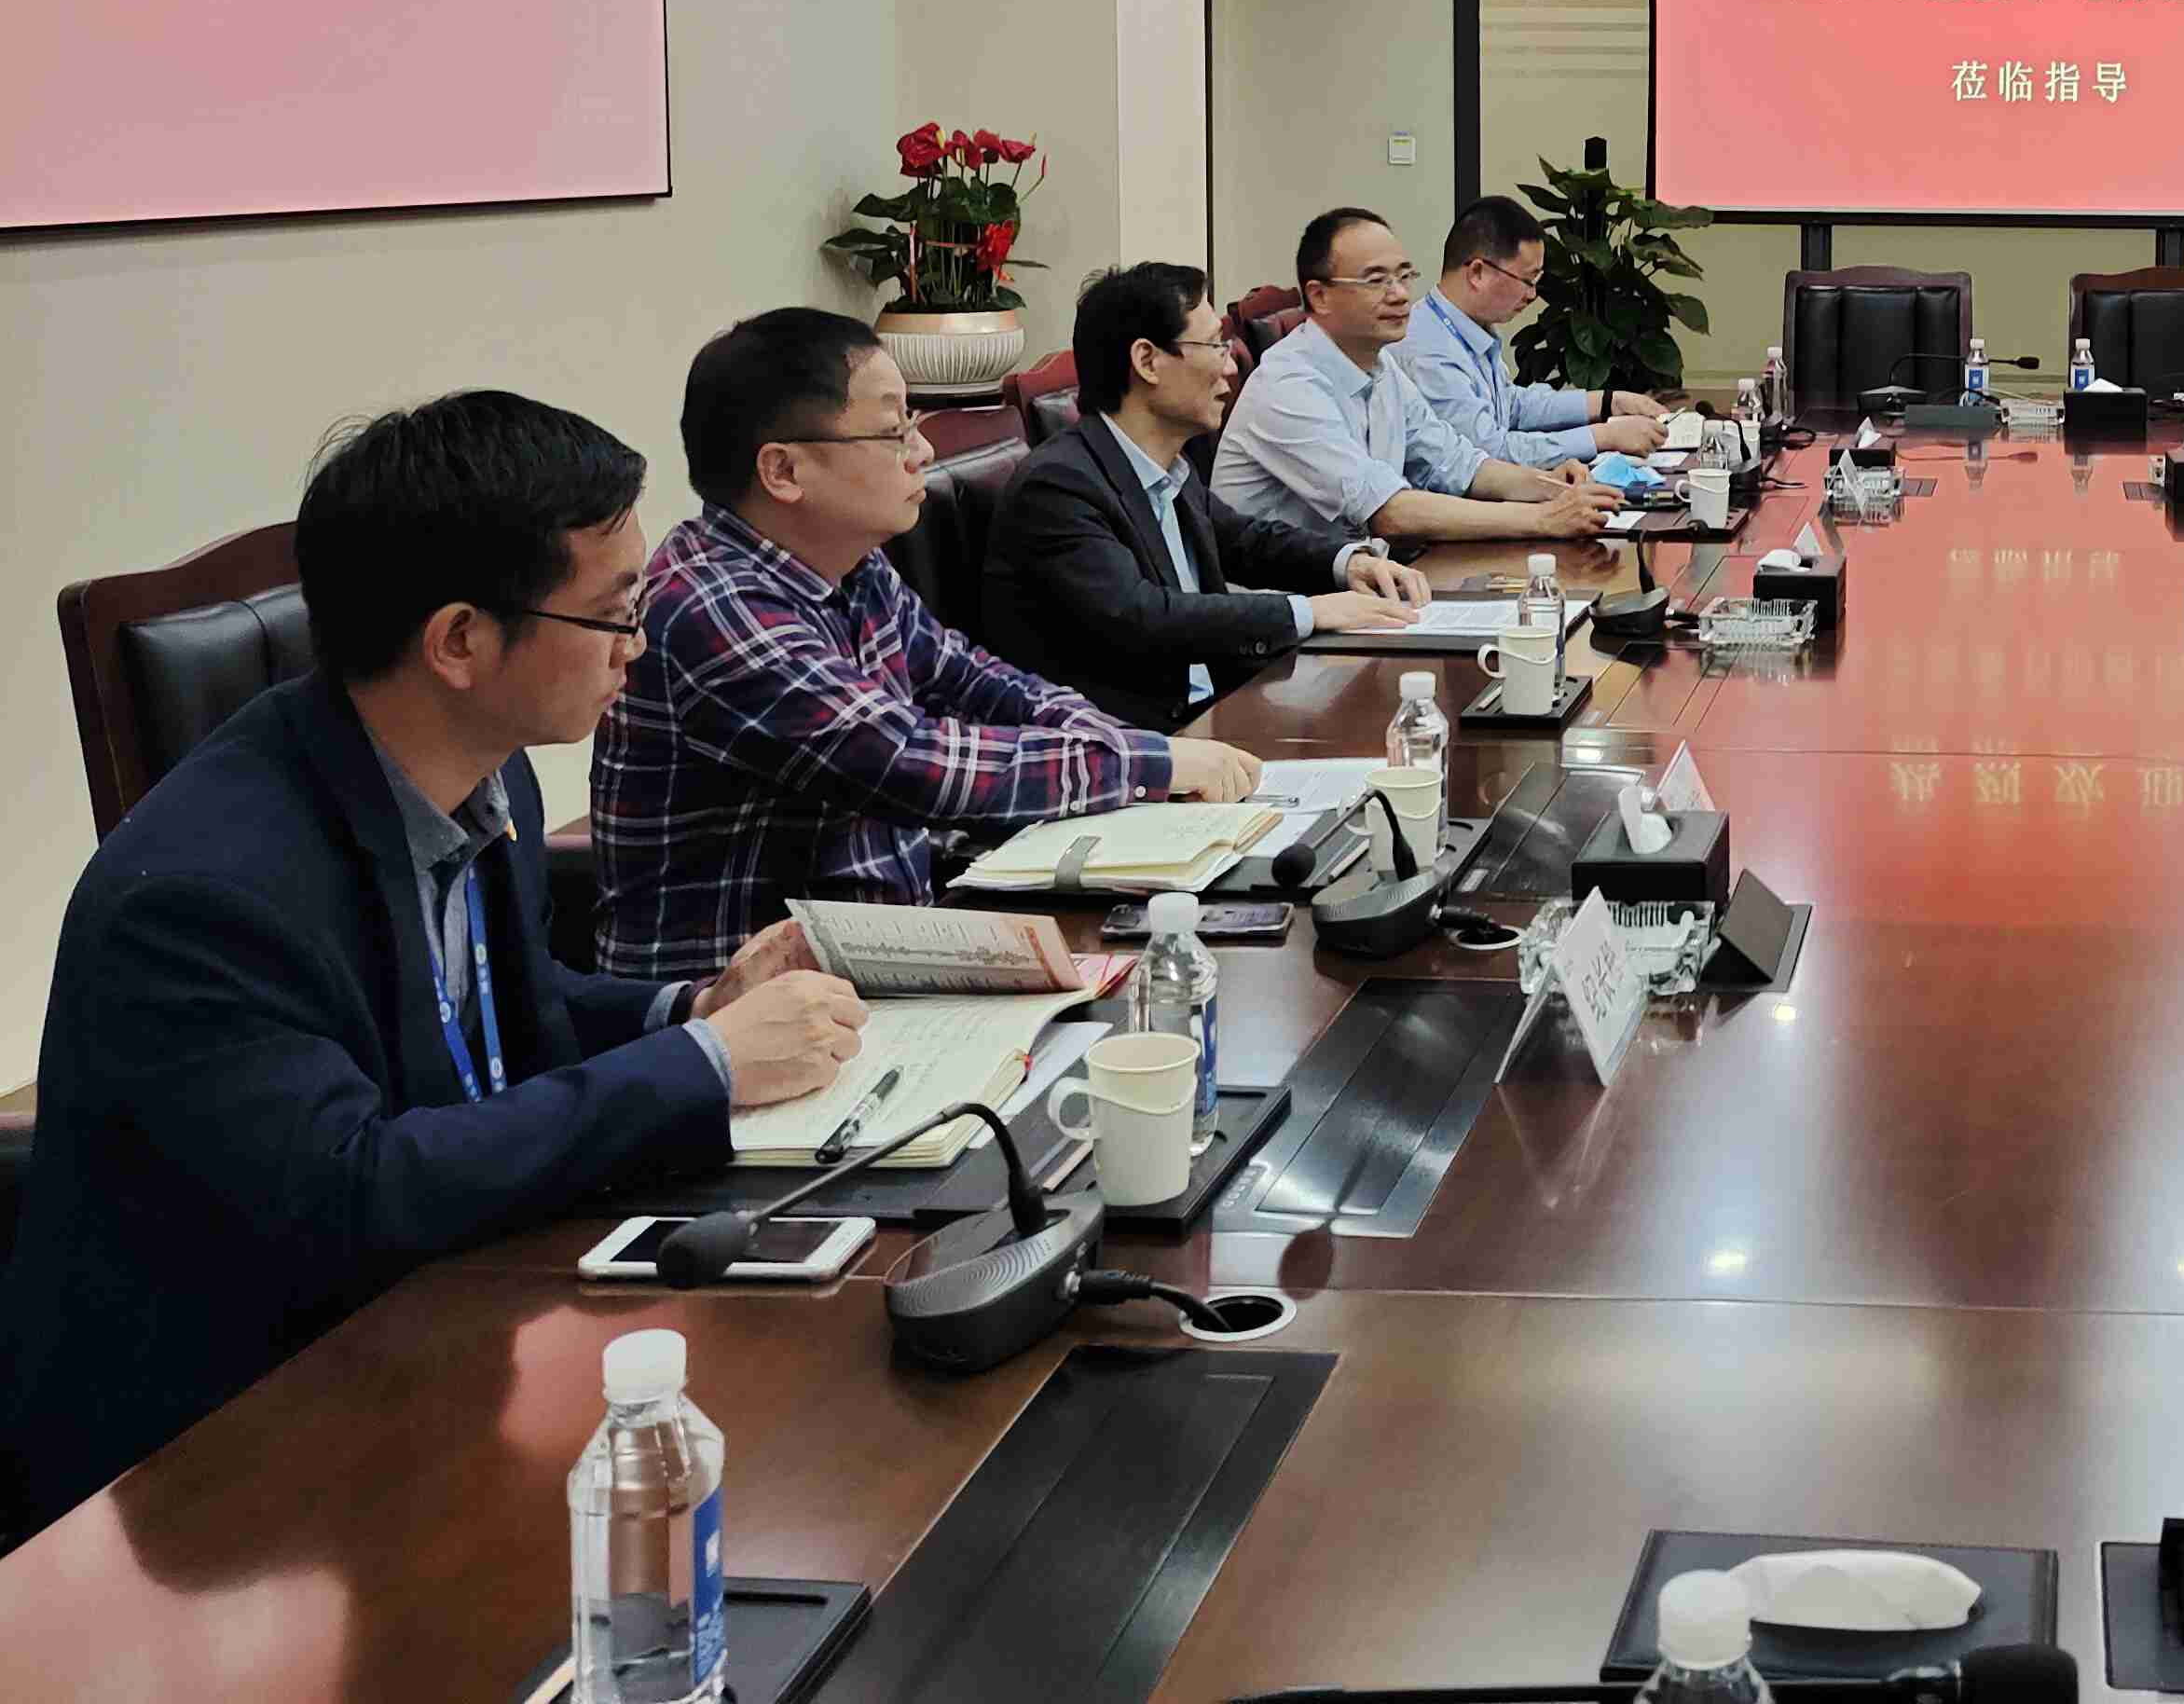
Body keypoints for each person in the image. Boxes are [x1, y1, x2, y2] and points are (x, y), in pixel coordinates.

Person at [0, 394, 871, 1532]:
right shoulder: (202, 896)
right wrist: (705, 1064)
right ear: (460, 641)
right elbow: (353, 1190)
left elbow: (497, 1016)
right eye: (615, 614)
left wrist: (689, 1007)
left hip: (434, 1324)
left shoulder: (481, 767)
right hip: (211, 1468)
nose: (641, 645)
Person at [594, 309, 1257, 983]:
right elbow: (908, 761)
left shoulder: (850, 565)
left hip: (879, 955)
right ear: (784, 470)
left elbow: (976, 682)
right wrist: (1147, 762)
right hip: (741, 1002)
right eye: (894, 431)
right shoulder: (711, 604)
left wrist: (1126, 747)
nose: (923, 451)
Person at [983, 261, 1434, 724]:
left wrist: (1349, 564)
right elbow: (1142, 615)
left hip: (1214, 711)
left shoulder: (1164, 465)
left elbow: (1244, 541)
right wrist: (1309, 612)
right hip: (1135, 741)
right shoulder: (1058, 486)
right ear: (1147, 361)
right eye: (1215, 345)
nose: (1232, 365)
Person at [1209, 207, 1620, 541]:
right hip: (1288, 604)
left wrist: (1551, 487)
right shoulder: (1288, 386)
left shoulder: (1381, 366)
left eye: (1404, 276)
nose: (1401, 294)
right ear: (1320, 296)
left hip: (1363, 582)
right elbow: (1389, 512)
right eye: (1377, 280)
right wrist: (1543, 518)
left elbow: (1457, 462)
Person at [1390, 195, 1675, 468]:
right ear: (1477, 273)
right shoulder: (1430, 352)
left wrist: (1609, 402)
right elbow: (1488, 455)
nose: (1532, 294)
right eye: (1527, 280)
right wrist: (1603, 436)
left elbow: (1511, 406)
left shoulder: (1464, 327)